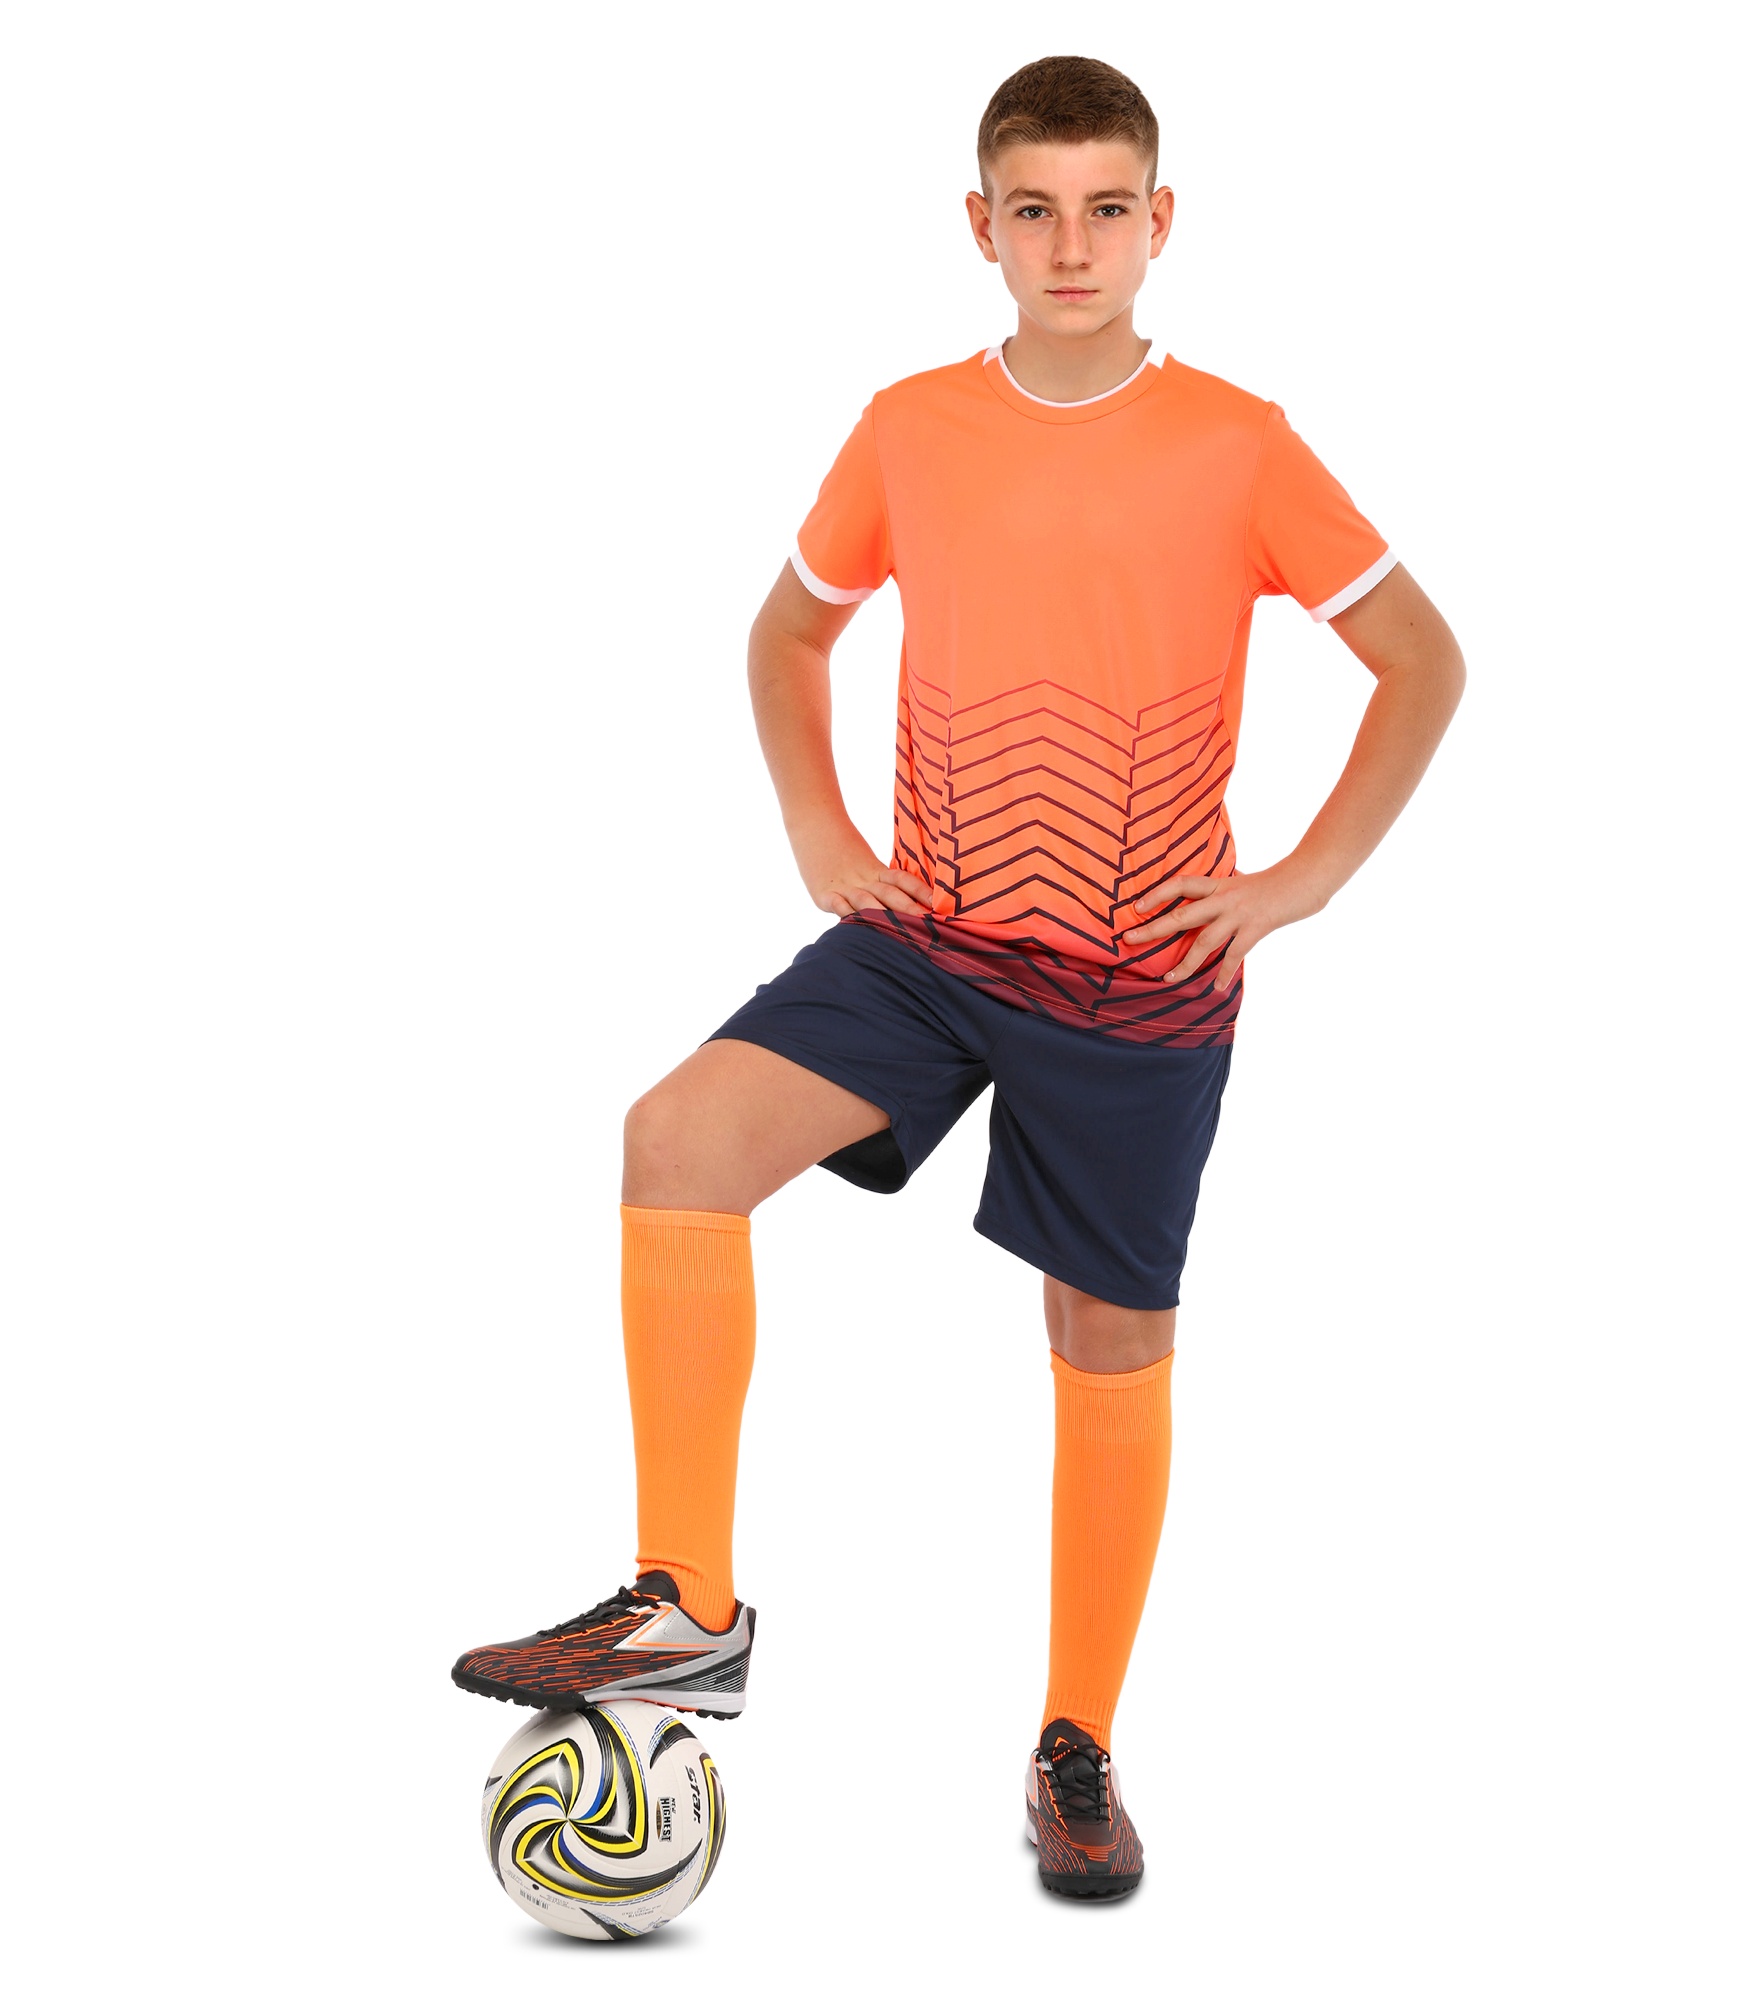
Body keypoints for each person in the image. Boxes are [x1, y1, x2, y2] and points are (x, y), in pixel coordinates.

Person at [452, 53, 1464, 1901]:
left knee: (1106, 1343)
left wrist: (1298, 884)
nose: (1071, 245)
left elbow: (1423, 656)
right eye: (1034, 210)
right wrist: (819, 827)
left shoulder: (1239, 442)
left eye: (1106, 209)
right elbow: (789, 632)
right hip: (927, 940)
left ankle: (1076, 1743)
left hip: (1138, 976)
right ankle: (685, 1603)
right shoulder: (911, 426)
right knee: (675, 1140)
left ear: (1160, 224)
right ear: (978, 225)